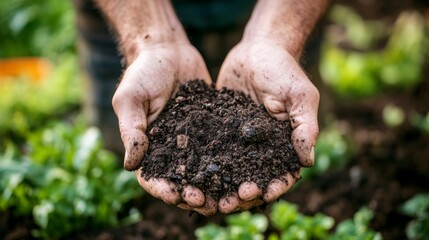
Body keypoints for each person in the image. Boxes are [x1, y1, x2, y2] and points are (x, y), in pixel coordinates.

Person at [72, 0, 331, 216]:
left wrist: (276, 39)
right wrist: (153, 42)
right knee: (124, 159)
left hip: (280, 12)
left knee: (291, 130)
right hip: (132, 12)